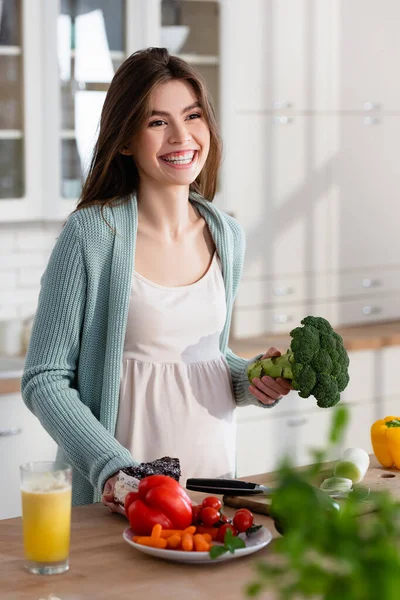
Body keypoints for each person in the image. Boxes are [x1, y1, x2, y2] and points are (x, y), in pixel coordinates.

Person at [21, 47, 292, 513]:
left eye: (192, 116)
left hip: (213, 492)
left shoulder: (228, 236)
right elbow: (44, 378)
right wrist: (116, 470)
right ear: (125, 139)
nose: (182, 136)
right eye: (157, 122)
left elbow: (202, 358)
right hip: (124, 500)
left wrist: (252, 380)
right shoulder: (92, 234)